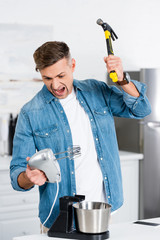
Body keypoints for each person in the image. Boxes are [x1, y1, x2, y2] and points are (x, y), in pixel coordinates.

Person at [10, 41, 151, 231]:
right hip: (59, 218)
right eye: (47, 78)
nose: (55, 85)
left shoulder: (96, 91)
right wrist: (28, 177)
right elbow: (17, 173)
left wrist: (122, 80)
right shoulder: (30, 112)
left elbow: (141, 110)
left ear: (73, 66)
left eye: (61, 75)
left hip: (101, 211)